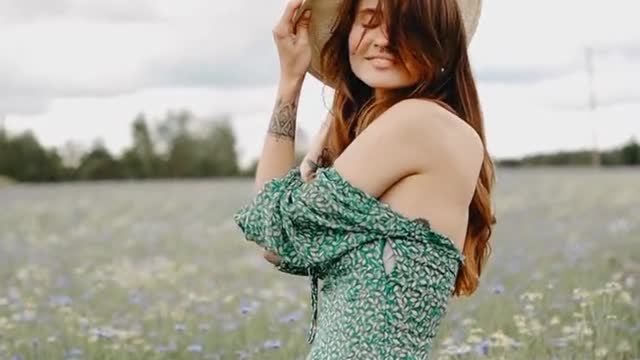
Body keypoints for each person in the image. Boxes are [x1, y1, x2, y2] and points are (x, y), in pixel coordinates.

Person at [233, 0, 497, 358]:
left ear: (438, 38)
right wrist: (306, 80)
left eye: (404, 26)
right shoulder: (403, 129)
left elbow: (275, 229)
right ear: (348, 32)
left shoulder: (419, 122)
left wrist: (290, 83)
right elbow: (275, 242)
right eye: (369, 22)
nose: (383, 39)